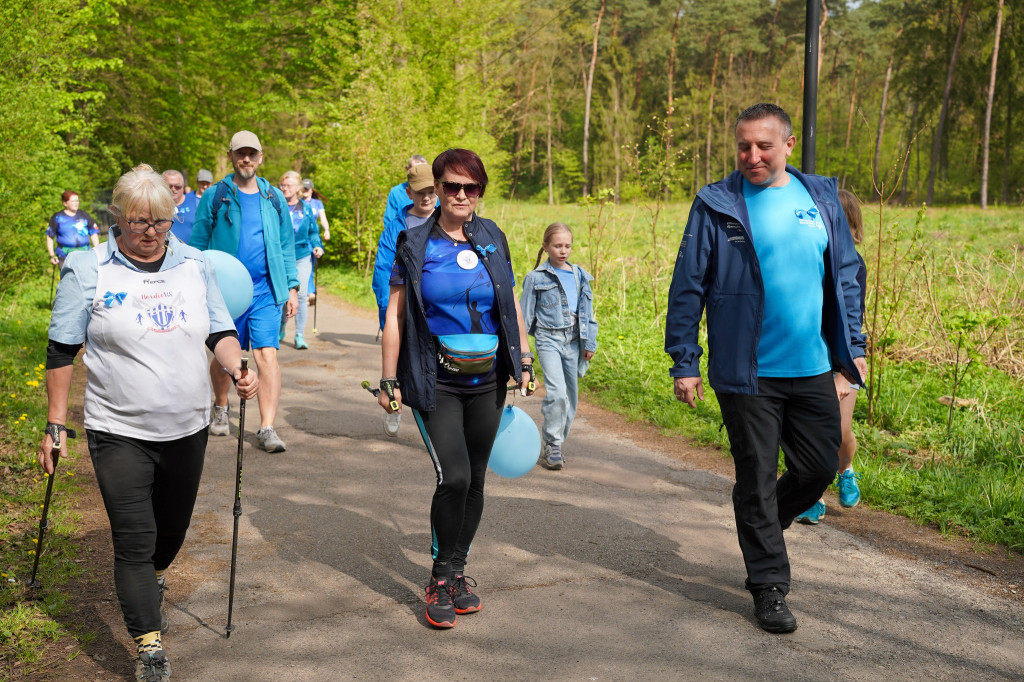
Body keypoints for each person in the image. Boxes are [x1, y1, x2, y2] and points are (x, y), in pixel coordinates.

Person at [40, 164, 258, 680]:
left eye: (160, 222)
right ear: (117, 216)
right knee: (134, 538)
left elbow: (221, 330)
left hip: (187, 425)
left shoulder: (195, 264)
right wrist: (55, 425)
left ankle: (153, 576)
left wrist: (236, 364)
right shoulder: (88, 267)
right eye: (138, 222)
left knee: (171, 532)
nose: (150, 233)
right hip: (117, 428)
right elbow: (60, 350)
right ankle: (150, 646)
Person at [665, 103, 867, 634]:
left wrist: (856, 342)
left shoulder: (820, 197)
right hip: (746, 371)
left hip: (813, 366)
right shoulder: (717, 203)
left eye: (763, 146)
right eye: (743, 146)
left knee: (820, 467)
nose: (752, 156)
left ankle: (764, 528)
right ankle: (769, 586)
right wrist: (685, 360)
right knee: (755, 478)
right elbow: (688, 285)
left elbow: (846, 274)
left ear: (788, 145)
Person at [379, 148, 535, 629]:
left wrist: (524, 359)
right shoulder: (414, 241)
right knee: (455, 478)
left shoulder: (491, 236)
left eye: (471, 188)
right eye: (452, 186)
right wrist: (389, 378)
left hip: (487, 380)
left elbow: (509, 301)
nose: (461, 196)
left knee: (478, 479)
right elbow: (395, 314)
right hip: (434, 380)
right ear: (437, 189)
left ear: (480, 192)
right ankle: (440, 577)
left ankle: (460, 569)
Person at [190, 130, 299, 453]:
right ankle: (221, 406)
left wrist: (292, 288)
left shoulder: (273, 198)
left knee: (267, 355)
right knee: (227, 356)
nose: (246, 159)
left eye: (252, 153)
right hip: (225, 293)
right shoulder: (216, 195)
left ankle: (267, 427)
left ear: (261, 157)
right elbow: (198, 242)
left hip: (266, 291)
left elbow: (286, 246)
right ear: (231, 157)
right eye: (241, 153)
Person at [796, 188, 868, 524]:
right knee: (809, 434)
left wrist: (846, 369)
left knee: (839, 430)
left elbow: (853, 317)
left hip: (843, 360)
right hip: (809, 356)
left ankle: (847, 470)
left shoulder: (855, 266)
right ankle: (812, 495)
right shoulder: (807, 257)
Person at [520, 222, 598, 470]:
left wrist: (590, 342)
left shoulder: (581, 275)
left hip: (574, 341)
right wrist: (523, 354)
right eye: (557, 245)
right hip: (548, 339)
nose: (563, 250)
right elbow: (523, 316)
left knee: (570, 397)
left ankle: (557, 442)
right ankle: (553, 443)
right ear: (546, 246)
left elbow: (588, 312)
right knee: (556, 393)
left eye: (567, 246)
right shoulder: (535, 278)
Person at [371, 163, 438, 330]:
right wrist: (389, 311)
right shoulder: (394, 229)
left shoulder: (449, 223)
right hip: (405, 310)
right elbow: (383, 270)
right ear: (409, 193)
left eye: (431, 192)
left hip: (439, 314)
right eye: (420, 193)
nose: (426, 198)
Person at [278, 171, 323, 349]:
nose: (285, 188)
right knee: (283, 295)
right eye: (283, 185)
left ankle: (299, 335)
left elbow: (313, 232)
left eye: (289, 185)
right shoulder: (276, 207)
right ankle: (281, 325)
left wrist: (318, 246)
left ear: (298, 188)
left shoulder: (305, 208)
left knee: (302, 295)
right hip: (281, 258)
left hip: (302, 256)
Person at [46, 191, 100, 267]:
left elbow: (93, 233)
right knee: (69, 278)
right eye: (73, 201)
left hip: (85, 254)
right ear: (65, 203)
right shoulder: (57, 217)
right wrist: (52, 255)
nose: (76, 203)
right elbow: (49, 237)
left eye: (77, 201)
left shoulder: (84, 215)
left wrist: (97, 251)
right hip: (64, 256)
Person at [300, 178, 330, 305]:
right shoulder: (298, 203)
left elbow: (323, 218)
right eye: (303, 189)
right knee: (304, 265)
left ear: (311, 190)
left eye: (307, 189)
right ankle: (309, 293)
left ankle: (309, 292)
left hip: (314, 238)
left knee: (310, 265)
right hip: (302, 239)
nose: (304, 192)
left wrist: (326, 229)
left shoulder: (317, 203)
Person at [164, 170, 199, 244]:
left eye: (177, 186)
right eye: (169, 186)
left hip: (191, 253)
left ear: (183, 187)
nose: (173, 189)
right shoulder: (154, 206)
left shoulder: (197, 203)